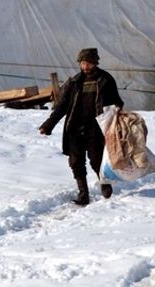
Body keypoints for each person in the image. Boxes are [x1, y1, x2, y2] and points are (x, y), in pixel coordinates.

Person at [39, 48, 124, 206]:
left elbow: (117, 102)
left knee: (96, 159)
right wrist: (48, 125)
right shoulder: (74, 82)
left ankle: (104, 183)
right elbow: (62, 107)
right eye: (83, 63)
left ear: (95, 63)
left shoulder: (105, 80)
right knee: (76, 162)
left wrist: (116, 113)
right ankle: (83, 194)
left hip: (96, 128)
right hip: (74, 128)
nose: (85, 66)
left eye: (89, 63)